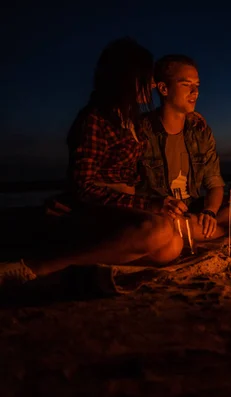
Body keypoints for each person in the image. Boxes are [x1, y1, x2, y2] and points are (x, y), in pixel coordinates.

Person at [0, 37, 186, 287]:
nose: (152, 83)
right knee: (159, 231)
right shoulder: (94, 120)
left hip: (125, 207)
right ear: (127, 78)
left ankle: (90, 265)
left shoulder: (131, 122)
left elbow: (134, 176)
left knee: (173, 246)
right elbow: (84, 188)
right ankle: (39, 267)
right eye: (147, 76)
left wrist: (159, 202)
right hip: (98, 210)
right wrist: (148, 204)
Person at [138, 54, 231, 242]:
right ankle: (223, 229)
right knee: (163, 225)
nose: (195, 92)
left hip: (195, 209)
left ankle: (202, 228)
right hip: (164, 213)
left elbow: (214, 183)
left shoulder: (200, 131)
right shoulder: (141, 131)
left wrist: (210, 212)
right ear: (163, 88)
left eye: (197, 85)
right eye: (186, 84)